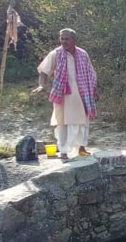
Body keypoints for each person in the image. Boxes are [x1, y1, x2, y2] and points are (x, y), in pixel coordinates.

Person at [32, 28, 98, 160]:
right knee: (63, 123)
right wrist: (41, 85)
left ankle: (81, 148)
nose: (63, 41)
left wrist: (94, 91)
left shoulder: (83, 54)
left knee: (82, 122)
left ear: (74, 40)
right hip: (63, 95)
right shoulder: (55, 54)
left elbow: (91, 74)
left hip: (82, 94)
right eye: (62, 38)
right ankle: (63, 151)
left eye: (67, 39)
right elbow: (44, 72)